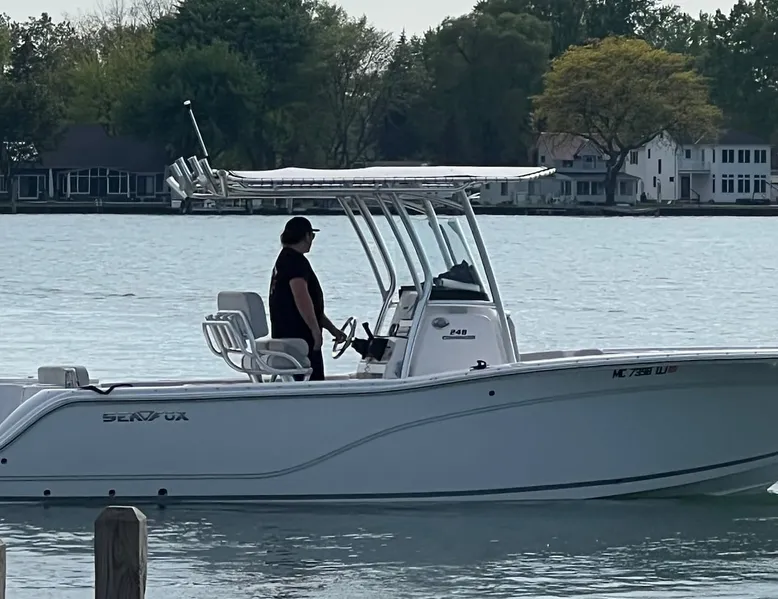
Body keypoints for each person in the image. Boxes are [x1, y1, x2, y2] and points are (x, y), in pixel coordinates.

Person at [268, 216, 346, 381]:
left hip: (285, 334)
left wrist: (332, 329)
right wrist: (315, 331)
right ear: (306, 236)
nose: (312, 241)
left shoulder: (284, 259)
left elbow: (311, 305)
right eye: (312, 236)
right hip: (299, 336)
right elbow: (301, 297)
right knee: (312, 380)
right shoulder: (296, 262)